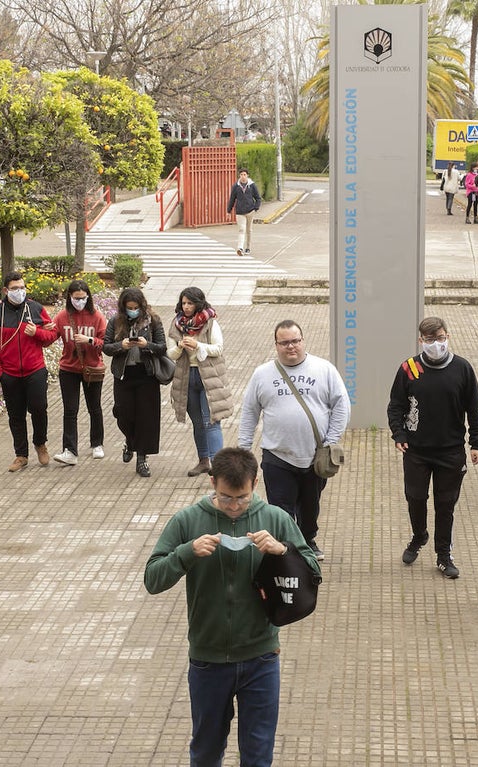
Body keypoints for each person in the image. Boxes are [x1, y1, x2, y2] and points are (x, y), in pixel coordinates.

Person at [144, 447, 320, 767]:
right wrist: (187, 553)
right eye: (226, 498)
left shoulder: (275, 518)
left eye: (242, 498)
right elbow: (152, 579)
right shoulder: (187, 520)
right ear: (212, 483)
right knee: (206, 751)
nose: (235, 507)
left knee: (258, 753)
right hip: (208, 661)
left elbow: (313, 574)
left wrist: (282, 551)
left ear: (255, 482)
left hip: (261, 658)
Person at [239, 320, 351, 561]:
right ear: (276, 345)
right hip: (277, 455)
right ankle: (287, 547)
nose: (291, 347)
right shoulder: (262, 374)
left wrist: (331, 441)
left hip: (315, 457)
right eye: (285, 342)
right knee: (281, 509)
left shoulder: (324, 369)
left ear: (303, 341)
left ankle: (308, 539)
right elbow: (249, 412)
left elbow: (342, 405)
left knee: (310, 507)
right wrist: (243, 449)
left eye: (295, 341)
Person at [387, 317, 478, 579]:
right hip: (417, 451)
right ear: (421, 340)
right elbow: (395, 405)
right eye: (430, 339)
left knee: (445, 505)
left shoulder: (462, 368)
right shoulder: (409, 368)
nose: (436, 343)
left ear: (448, 336)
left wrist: (477, 443)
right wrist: (399, 433)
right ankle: (419, 536)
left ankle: (443, 554)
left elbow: (475, 407)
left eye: (440, 338)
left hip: (451, 452)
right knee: (416, 498)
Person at [0, 271, 58, 472]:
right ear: (5, 290)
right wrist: (0, 373)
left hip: (35, 370)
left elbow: (52, 336)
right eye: (15, 288)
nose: (19, 291)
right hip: (9, 374)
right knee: (15, 415)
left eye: (22, 287)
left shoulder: (35, 308)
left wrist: (37, 332)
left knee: (39, 408)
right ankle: (21, 455)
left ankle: (40, 443)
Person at [167, 287, 233, 477]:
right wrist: (180, 347)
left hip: (208, 377)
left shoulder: (210, 322)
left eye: (190, 303)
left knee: (211, 421)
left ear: (198, 303)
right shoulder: (177, 324)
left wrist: (198, 345)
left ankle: (218, 466)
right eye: (183, 303)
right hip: (187, 377)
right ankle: (203, 461)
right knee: (197, 422)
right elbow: (170, 353)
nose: (186, 307)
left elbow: (218, 349)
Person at [103, 287, 166, 477]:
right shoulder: (116, 321)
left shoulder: (152, 320)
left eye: (136, 307)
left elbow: (162, 347)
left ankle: (142, 458)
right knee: (123, 413)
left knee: (146, 418)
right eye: (129, 307)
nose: (133, 310)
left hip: (146, 374)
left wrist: (147, 346)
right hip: (124, 374)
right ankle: (130, 441)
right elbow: (106, 347)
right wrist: (120, 346)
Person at [51, 279, 108, 466]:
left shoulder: (97, 317)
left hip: (91, 368)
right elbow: (51, 336)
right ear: (70, 298)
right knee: (70, 409)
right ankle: (70, 450)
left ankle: (97, 443)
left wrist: (89, 339)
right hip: (68, 369)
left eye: (83, 298)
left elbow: (105, 344)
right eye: (76, 298)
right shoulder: (62, 317)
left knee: (94, 407)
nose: (80, 301)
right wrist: (41, 330)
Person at [227, 168, 262, 256]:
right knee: (241, 229)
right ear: (239, 176)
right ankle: (240, 248)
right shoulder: (236, 186)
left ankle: (248, 247)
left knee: (249, 230)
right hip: (239, 211)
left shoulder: (252, 185)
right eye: (241, 175)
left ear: (247, 175)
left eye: (244, 175)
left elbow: (258, 198)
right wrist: (229, 210)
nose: (243, 176)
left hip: (250, 211)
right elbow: (232, 199)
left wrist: (256, 208)